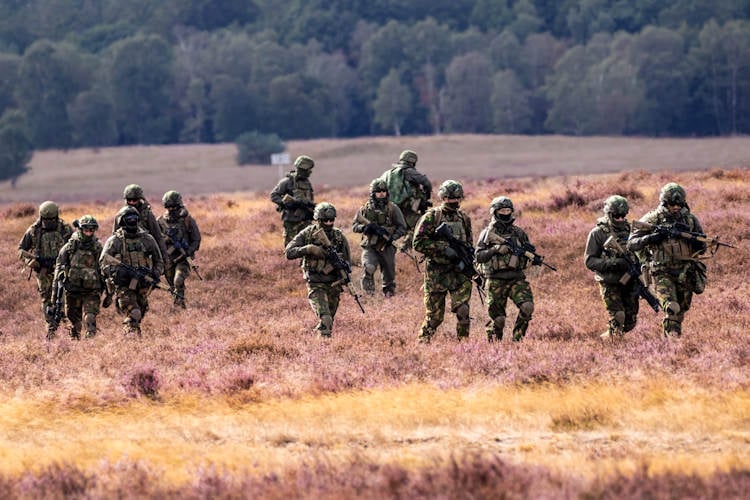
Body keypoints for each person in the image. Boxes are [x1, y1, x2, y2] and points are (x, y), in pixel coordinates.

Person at [627, 183, 707, 338]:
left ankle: (672, 342)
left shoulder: (690, 220)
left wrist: (690, 238)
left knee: (680, 312)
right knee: (672, 307)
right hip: (661, 272)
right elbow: (631, 244)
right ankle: (673, 343)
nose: (676, 207)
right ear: (664, 202)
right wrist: (653, 237)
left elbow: (703, 247)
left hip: (685, 272)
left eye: (679, 204)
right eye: (672, 204)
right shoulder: (652, 219)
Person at [413, 180, 472, 342]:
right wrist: (443, 248)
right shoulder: (432, 217)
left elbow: (468, 245)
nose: (452, 201)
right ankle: (422, 344)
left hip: (458, 274)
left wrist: (468, 263)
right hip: (436, 274)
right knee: (434, 317)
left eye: (456, 198)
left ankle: (465, 348)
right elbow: (418, 243)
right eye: (448, 198)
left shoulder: (464, 218)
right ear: (442, 198)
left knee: (463, 311)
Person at [475, 196, 539, 342]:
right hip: (495, 280)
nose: (505, 213)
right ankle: (495, 346)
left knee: (527, 307)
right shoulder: (487, 234)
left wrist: (532, 259)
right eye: (502, 210)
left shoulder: (519, 233)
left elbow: (527, 252)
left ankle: (517, 339)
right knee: (498, 320)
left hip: (516, 278)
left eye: (508, 210)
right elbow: (478, 256)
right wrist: (495, 249)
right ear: (495, 212)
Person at [285, 202, 351, 338]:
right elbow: (289, 252)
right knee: (326, 319)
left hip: (334, 285)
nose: (328, 223)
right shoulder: (307, 233)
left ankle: (315, 340)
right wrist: (309, 249)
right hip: (315, 283)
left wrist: (342, 269)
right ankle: (324, 350)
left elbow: (348, 260)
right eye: (324, 220)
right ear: (317, 220)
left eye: (331, 220)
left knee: (329, 320)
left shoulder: (339, 237)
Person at [100, 206, 165, 336]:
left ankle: (133, 337)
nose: (132, 220)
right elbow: (103, 262)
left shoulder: (147, 239)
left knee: (141, 311)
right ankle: (130, 339)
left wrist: (155, 273)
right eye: (128, 218)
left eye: (134, 218)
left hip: (143, 284)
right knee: (134, 312)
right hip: (123, 285)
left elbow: (159, 261)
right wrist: (119, 272)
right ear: (121, 221)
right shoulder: (115, 241)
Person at [584, 195, 638, 340]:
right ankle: (612, 345)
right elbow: (589, 261)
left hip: (629, 280)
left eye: (623, 215)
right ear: (609, 214)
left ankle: (609, 337)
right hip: (609, 281)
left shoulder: (631, 230)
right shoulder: (598, 233)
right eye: (616, 216)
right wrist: (615, 263)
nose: (620, 219)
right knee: (618, 315)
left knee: (630, 321)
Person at [18, 201, 73, 337]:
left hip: (61, 269)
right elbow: (21, 250)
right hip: (42, 270)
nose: (49, 222)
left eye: (52, 219)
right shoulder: (33, 230)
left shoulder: (65, 229)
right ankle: (50, 326)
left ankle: (67, 324)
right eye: (46, 219)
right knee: (46, 299)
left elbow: (75, 247)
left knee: (64, 297)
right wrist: (30, 261)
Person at [351, 179, 407, 297]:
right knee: (369, 267)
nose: (381, 194)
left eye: (383, 191)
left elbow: (402, 227)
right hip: (370, 246)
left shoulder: (393, 208)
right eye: (378, 191)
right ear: (373, 193)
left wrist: (393, 237)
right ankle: (369, 294)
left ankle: (389, 294)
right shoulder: (364, 209)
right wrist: (365, 228)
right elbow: (354, 226)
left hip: (387, 246)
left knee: (389, 274)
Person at [53, 215, 104, 339]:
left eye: (91, 230)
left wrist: (108, 291)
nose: (88, 232)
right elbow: (59, 269)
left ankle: (91, 347)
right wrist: (55, 295)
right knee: (73, 321)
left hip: (91, 290)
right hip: (72, 290)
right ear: (80, 229)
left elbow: (103, 270)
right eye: (86, 229)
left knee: (90, 317)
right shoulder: (69, 247)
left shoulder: (98, 248)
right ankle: (75, 344)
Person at [157, 190, 201, 308]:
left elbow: (196, 239)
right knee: (173, 285)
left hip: (183, 258)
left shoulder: (187, 220)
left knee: (178, 280)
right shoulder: (160, 221)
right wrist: (166, 240)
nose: (171, 210)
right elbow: (154, 240)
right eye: (169, 207)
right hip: (168, 259)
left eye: (174, 207)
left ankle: (179, 305)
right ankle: (180, 306)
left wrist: (188, 250)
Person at [380, 150, 432, 253]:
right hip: (405, 210)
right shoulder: (409, 172)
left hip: (387, 210)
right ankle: (404, 249)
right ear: (413, 162)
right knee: (421, 224)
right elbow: (426, 183)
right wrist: (426, 196)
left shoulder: (387, 174)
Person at [113, 184, 170, 268]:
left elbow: (158, 237)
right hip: (125, 254)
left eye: (134, 200)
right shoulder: (121, 215)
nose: (132, 202)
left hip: (144, 255)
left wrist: (164, 258)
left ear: (140, 199)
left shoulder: (147, 215)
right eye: (129, 200)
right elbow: (115, 236)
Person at [270, 155, 315, 246]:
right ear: (302, 170)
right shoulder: (287, 182)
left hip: (306, 219)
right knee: (291, 246)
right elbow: (274, 195)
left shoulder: (307, 183)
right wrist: (286, 203)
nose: (310, 172)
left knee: (307, 244)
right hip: (292, 220)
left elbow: (310, 199)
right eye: (308, 170)